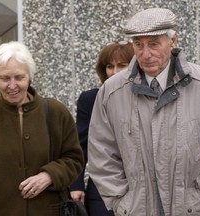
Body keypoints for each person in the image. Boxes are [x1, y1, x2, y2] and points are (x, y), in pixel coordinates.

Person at [87, 8, 200, 216]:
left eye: (153, 44)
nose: (145, 54)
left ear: (173, 41)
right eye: (138, 45)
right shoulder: (112, 92)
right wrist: (124, 203)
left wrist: (199, 200)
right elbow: (102, 156)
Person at [0, 41, 84, 215]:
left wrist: (49, 175)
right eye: (4, 78)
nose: (12, 85)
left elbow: (74, 159)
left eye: (19, 77)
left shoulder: (56, 112)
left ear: (29, 77)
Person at [70, 41, 134, 216]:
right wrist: (76, 185)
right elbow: (80, 146)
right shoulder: (90, 99)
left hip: (140, 190)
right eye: (109, 66)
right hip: (101, 191)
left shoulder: (146, 98)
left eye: (122, 65)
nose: (114, 72)